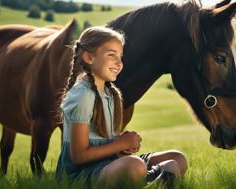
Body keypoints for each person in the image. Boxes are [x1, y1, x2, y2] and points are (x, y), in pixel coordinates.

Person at [55, 26, 188, 187]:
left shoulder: (110, 93)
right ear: (89, 58)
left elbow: (103, 142)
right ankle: (153, 180)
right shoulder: (82, 95)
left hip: (106, 163)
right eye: (111, 55)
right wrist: (120, 144)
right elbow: (79, 156)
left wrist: (121, 146)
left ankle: (150, 180)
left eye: (120, 56)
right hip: (79, 175)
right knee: (135, 166)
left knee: (178, 158)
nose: (119, 63)